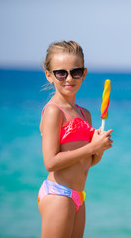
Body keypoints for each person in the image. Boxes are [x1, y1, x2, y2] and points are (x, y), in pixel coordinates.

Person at [38, 40, 113, 238]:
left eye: (75, 72)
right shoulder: (54, 111)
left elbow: (88, 162)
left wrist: (99, 150)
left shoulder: (85, 113)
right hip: (58, 193)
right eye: (61, 73)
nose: (69, 78)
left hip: (79, 195)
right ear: (49, 75)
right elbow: (51, 162)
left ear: (84, 73)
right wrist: (91, 148)